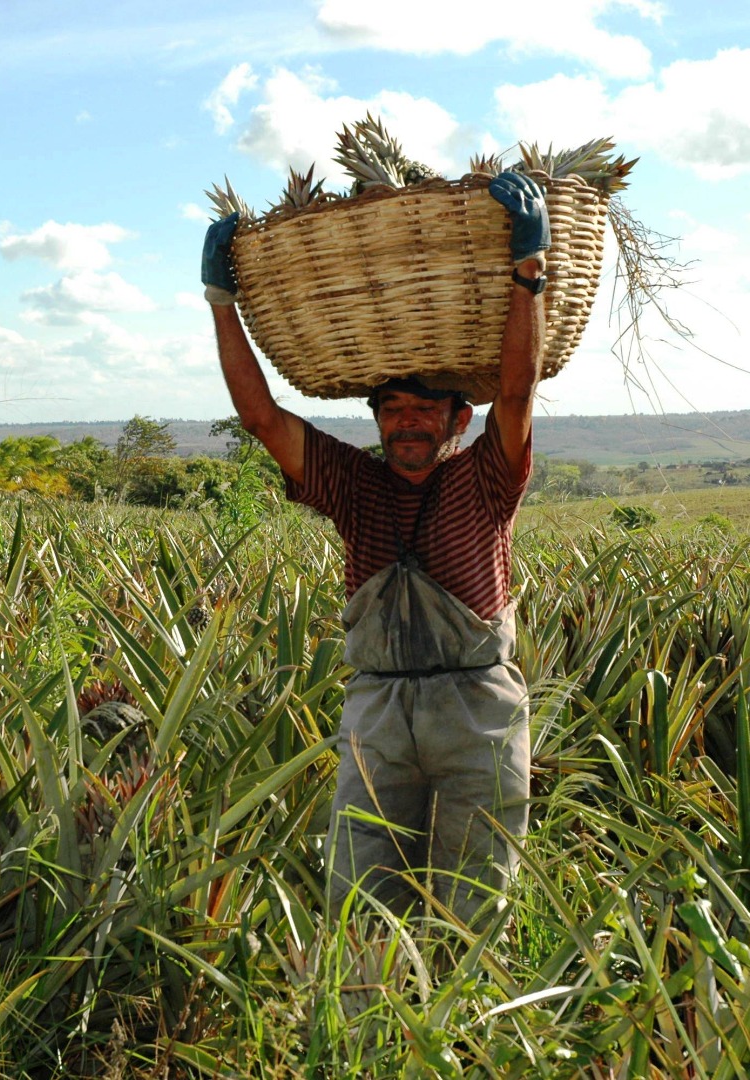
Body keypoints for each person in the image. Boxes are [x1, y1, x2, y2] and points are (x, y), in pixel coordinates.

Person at [200, 171, 549, 925]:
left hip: (475, 711)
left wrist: (527, 277)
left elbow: (516, 397)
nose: (409, 424)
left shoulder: (489, 478)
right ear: (378, 421)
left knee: (474, 907)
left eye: (427, 409)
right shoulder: (352, 485)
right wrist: (222, 304)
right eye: (393, 410)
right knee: (361, 905)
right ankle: (362, 1033)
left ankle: (465, 1039)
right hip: (378, 712)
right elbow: (261, 416)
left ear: (460, 420)